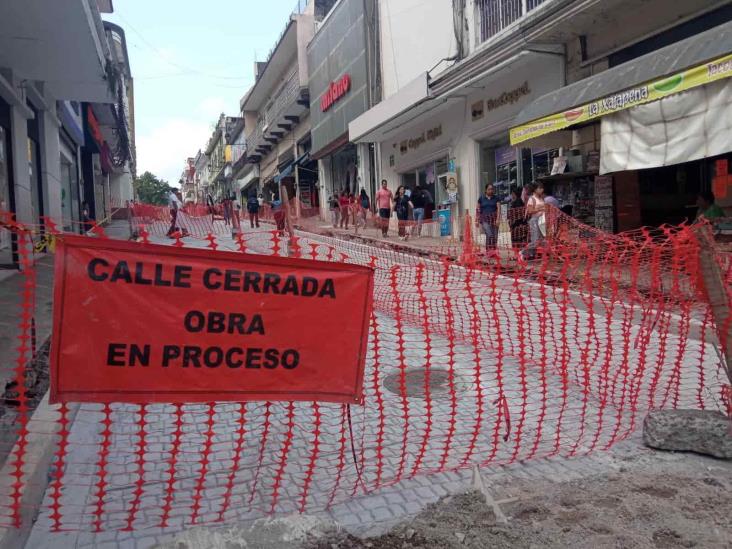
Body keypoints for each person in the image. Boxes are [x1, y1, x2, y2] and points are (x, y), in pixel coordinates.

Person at [522, 183, 546, 260]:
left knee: (541, 239)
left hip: (542, 221)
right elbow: (529, 211)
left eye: (542, 188)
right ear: (535, 189)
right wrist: (540, 209)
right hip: (534, 220)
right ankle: (523, 252)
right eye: (540, 188)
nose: (542, 190)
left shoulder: (541, 199)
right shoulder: (531, 199)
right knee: (535, 240)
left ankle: (532, 254)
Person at [477, 183, 500, 250]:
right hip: (484, 220)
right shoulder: (481, 198)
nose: (491, 191)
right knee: (489, 234)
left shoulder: (496, 198)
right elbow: (477, 209)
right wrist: (477, 219)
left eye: (492, 189)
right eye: (489, 189)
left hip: (494, 219)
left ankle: (493, 250)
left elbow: (499, 209)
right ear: (486, 190)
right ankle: (489, 250)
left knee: (495, 236)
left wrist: (498, 219)